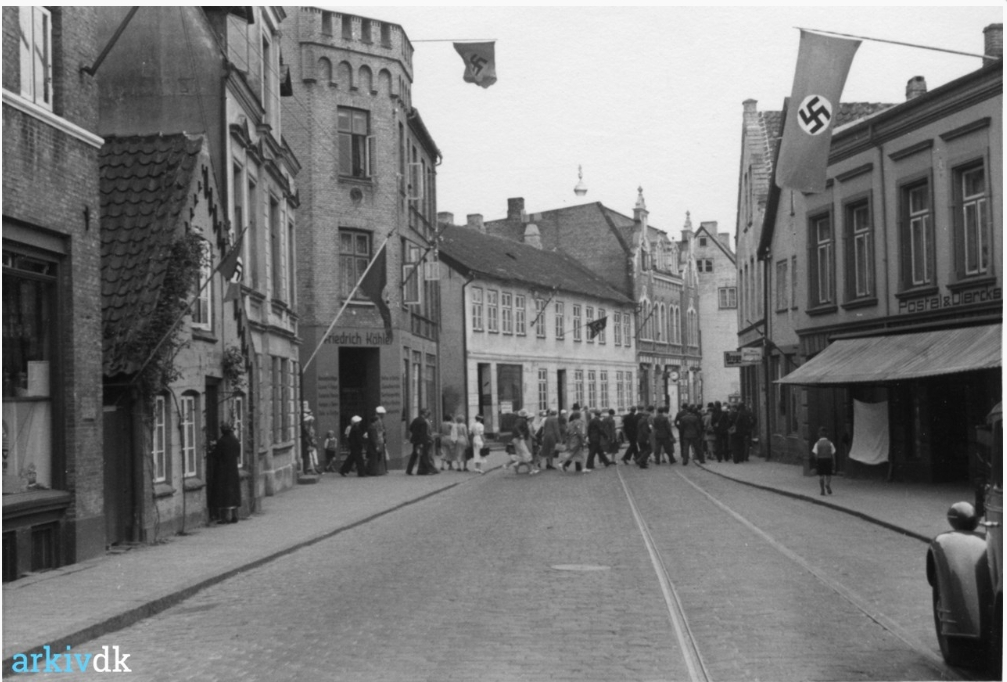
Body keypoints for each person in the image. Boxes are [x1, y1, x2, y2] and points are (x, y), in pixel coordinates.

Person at [207, 423, 241, 523]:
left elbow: (217, 455)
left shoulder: (222, 441)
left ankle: (225, 518)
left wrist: (212, 449)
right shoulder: (235, 440)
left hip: (223, 471)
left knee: (223, 493)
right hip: (233, 470)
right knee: (234, 492)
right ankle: (235, 516)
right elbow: (238, 453)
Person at [407, 408, 437, 475]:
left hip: (415, 440)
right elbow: (423, 433)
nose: (428, 414)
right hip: (422, 441)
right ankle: (431, 469)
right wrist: (422, 442)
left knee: (414, 455)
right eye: (426, 413)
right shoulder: (423, 422)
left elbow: (410, 428)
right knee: (424, 455)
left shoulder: (416, 419)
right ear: (424, 413)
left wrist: (415, 434)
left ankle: (409, 470)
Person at [812, 426, 836, 495]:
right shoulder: (830, 443)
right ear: (827, 434)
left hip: (820, 460)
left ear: (819, 434)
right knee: (828, 474)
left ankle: (822, 490)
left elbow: (815, 454)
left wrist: (817, 461)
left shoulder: (817, 444)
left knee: (821, 476)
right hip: (828, 459)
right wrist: (834, 462)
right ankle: (827, 484)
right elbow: (833, 453)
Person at [366, 412, 388, 476]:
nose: (378, 422)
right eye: (377, 421)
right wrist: (376, 446)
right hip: (375, 445)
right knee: (374, 459)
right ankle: (373, 472)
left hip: (375, 444)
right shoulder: (373, 428)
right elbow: (373, 438)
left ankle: (370, 471)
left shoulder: (372, 427)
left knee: (374, 458)